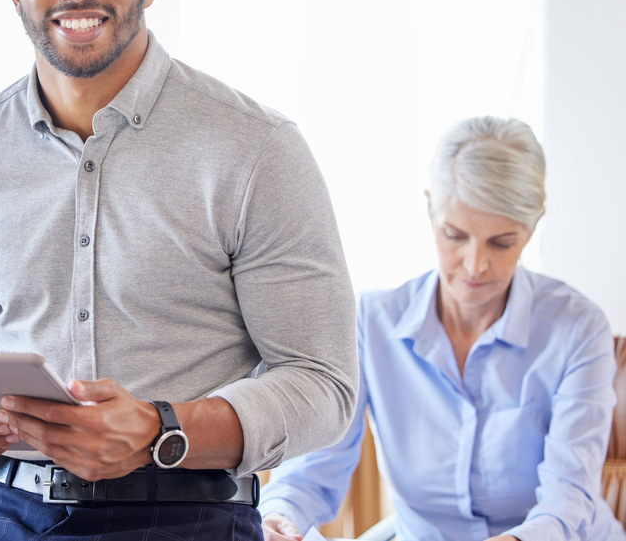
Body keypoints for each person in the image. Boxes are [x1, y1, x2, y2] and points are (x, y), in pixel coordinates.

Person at [0, 0, 358, 541]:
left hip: (188, 513)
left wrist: (159, 428)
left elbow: (323, 385)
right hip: (6, 510)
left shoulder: (257, 147)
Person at [260, 116, 626, 541]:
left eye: (502, 243)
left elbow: (567, 500)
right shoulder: (372, 323)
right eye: (455, 235)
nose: (475, 265)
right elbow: (311, 469)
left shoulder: (578, 329)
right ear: (430, 208)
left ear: (533, 227)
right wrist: (279, 517)